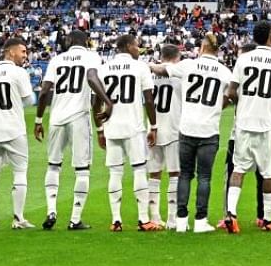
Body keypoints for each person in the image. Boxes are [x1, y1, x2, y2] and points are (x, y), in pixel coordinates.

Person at [150, 33, 233, 233]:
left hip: (186, 128)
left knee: (185, 175)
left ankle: (180, 221)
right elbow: (232, 95)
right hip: (208, 130)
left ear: (202, 47)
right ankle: (200, 221)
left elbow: (163, 69)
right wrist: (217, 107)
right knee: (204, 177)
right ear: (218, 49)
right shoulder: (224, 72)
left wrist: (147, 66)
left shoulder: (188, 65)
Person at [35, 29, 113, 231]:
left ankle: (51, 210)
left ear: (69, 41)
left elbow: (44, 92)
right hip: (78, 116)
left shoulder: (57, 60)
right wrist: (107, 102)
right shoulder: (91, 57)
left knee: (53, 165)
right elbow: (92, 79)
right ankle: (75, 219)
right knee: (82, 169)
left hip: (56, 118)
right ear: (86, 41)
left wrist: (38, 119)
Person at [225, 21, 271, 232]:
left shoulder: (243, 59)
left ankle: (231, 214)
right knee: (269, 172)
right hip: (267, 123)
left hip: (244, 122)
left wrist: (242, 104)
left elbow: (231, 91)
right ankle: (267, 219)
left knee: (238, 169)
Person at [99, 34, 161, 232]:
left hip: (111, 127)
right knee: (139, 170)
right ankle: (143, 219)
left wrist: (100, 130)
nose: (138, 49)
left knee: (115, 172)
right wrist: (154, 126)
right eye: (136, 45)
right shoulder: (140, 67)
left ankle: (116, 219)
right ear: (127, 46)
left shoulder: (104, 67)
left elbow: (96, 102)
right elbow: (149, 100)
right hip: (133, 126)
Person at [0, 37, 36, 229]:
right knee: (20, 172)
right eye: (23, 51)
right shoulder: (18, 72)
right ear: (11, 52)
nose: (25, 55)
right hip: (14, 129)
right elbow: (29, 100)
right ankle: (18, 218)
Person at [146, 44, 183, 228]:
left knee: (154, 174)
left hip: (153, 129)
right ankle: (172, 218)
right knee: (174, 173)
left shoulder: (150, 74)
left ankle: (154, 217)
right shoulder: (180, 75)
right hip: (174, 128)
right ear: (177, 57)